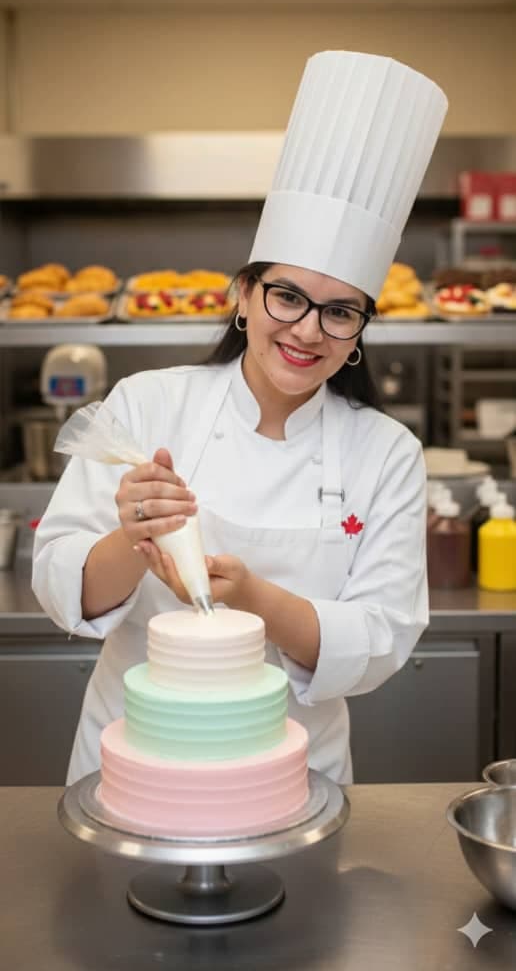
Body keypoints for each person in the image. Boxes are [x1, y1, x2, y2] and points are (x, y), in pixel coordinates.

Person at [33, 51, 448, 785]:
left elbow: (383, 638)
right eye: (287, 297)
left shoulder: (386, 452)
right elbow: (64, 586)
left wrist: (253, 597)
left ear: (360, 329)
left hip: (298, 769)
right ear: (245, 294)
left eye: (340, 311)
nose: (308, 330)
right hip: (134, 757)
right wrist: (133, 538)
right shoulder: (148, 403)